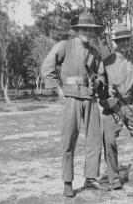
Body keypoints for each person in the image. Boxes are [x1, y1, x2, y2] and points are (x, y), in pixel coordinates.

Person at [41, 11, 106, 197]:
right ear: (77, 30)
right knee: (69, 140)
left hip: (90, 97)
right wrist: (56, 87)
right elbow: (48, 65)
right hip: (71, 97)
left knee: (94, 138)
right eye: (83, 28)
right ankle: (67, 182)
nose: (87, 32)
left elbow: (101, 73)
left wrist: (98, 81)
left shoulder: (94, 52)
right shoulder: (64, 45)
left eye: (90, 29)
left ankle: (91, 178)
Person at [101, 23, 133, 189]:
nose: (124, 43)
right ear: (116, 42)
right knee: (109, 141)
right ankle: (114, 178)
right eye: (121, 40)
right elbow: (100, 86)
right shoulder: (106, 62)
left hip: (132, 107)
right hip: (113, 108)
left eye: (127, 40)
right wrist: (107, 90)